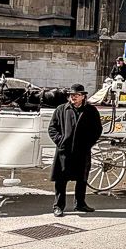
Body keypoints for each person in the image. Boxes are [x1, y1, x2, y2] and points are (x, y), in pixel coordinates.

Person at [48, 84, 102, 216]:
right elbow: (52, 128)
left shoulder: (91, 111)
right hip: (64, 151)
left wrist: (88, 143)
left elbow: (97, 130)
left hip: (82, 150)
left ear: (83, 96)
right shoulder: (61, 109)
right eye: (72, 95)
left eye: (77, 95)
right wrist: (60, 141)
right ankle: (58, 206)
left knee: (82, 178)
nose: (73, 97)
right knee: (61, 180)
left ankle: (80, 204)